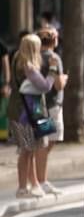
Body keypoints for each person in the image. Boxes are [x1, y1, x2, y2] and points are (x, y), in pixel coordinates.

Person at [8, 34, 64, 198]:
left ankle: (33, 185)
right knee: (26, 150)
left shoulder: (17, 61)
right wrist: (53, 69)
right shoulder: (28, 67)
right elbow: (45, 86)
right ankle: (22, 188)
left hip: (27, 110)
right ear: (33, 48)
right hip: (25, 113)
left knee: (30, 149)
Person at [35, 28, 66, 195]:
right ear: (54, 40)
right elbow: (58, 85)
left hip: (38, 105)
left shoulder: (35, 57)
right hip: (52, 105)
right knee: (47, 143)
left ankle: (38, 179)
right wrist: (64, 79)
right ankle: (41, 180)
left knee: (43, 142)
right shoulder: (54, 58)